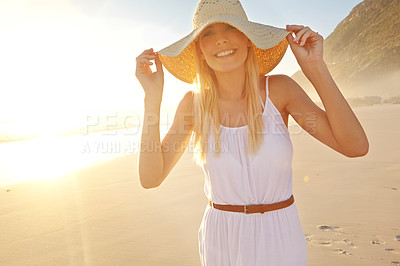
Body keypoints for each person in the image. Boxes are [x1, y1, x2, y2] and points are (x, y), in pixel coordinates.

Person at [135, 0, 369, 265]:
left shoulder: (280, 91)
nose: (221, 40)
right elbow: (150, 177)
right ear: (199, 50)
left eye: (230, 28)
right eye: (208, 34)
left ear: (248, 38)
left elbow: (355, 146)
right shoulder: (193, 105)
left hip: (279, 237)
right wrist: (152, 99)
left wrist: (315, 68)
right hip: (220, 241)